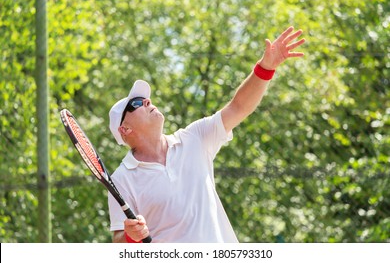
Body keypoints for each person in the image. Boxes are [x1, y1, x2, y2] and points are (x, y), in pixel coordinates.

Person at [108, 26, 305, 243]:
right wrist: (130, 236)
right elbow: (118, 241)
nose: (147, 101)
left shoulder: (194, 138)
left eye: (147, 99)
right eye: (136, 103)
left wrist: (266, 67)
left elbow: (238, 107)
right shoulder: (122, 178)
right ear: (125, 130)